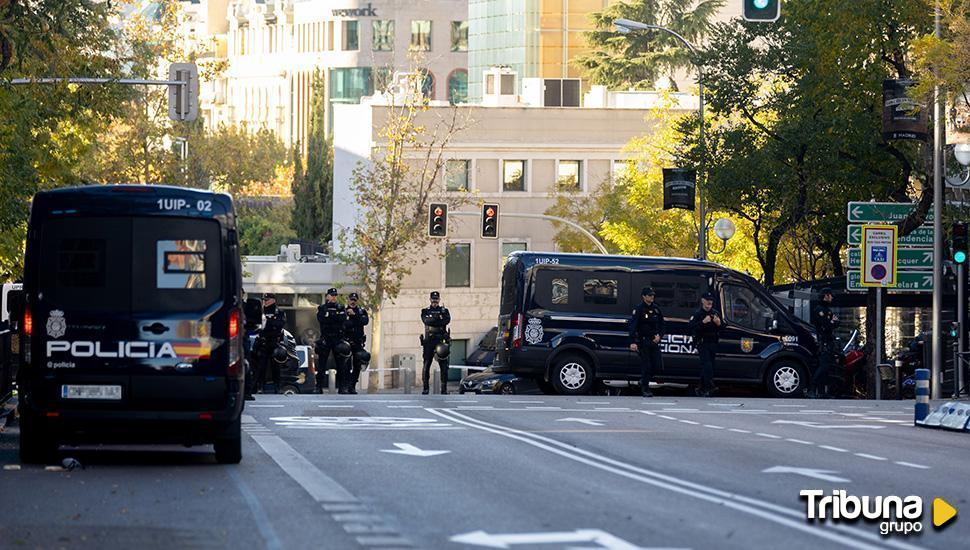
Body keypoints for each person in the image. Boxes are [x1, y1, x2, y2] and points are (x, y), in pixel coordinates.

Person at [629, 287, 664, 398]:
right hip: (643, 341)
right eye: (649, 295)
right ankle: (645, 389)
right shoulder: (639, 309)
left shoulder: (656, 309)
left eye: (653, 295)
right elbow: (633, 326)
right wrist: (633, 341)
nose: (652, 297)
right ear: (644, 296)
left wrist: (660, 336)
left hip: (654, 341)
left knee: (658, 366)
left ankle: (643, 380)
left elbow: (662, 325)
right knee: (647, 366)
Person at [315, 288, 351, 394]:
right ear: (327, 296)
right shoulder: (322, 308)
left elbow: (343, 319)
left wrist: (330, 316)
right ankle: (318, 387)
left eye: (335, 295)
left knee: (341, 365)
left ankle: (342, 387)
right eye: (332, 295)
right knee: (321, 364)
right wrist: (335, 317)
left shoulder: (341, 307)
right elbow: (321, 319)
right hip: (326, 339)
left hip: (337, 339)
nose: (334, 297)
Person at [688, 292, 722, 397]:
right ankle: (709, 387)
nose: (709, 302)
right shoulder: (698, 314)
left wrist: (718, 324)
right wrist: (703, 322)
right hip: (702, 343)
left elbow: (721, 328)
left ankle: (700, 388)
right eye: (707, 300)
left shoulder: (715, 313)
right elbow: (692, 328)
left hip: (713, 343)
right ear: (702, 301)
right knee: (707, 365)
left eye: (711, 300)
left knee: (710, 366)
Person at [252, 294, 286, 394]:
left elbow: (279, 324)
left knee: (275, 366)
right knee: (261, 366)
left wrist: (267, 323)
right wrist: (271, 323)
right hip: (263, 342)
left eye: (267, 300)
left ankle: (277, 387)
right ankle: (260, 387)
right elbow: (257, 326)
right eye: (264, 300)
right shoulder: (260, 311)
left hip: (274, 342)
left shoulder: (280, 312)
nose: (265, 301)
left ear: (273, 300)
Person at [809, 287, 839, 398]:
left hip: (828, 340)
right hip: (823, 341)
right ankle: (812, 388)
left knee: (826, 367)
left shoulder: (828, 310)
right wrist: (831, 322)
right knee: (823, 366)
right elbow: (827, 325)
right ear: (825, 296)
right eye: (830, 295)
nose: (832, 297)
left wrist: (831, 322)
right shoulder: (819, 310)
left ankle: (822, 392)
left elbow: (836, 322)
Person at [420, 291, 451, 395]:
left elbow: (446, 321)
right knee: (426, 364)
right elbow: (426, 321)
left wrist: (434, 319)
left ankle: (444, 389)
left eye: (436, 300)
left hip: (441, 340)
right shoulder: (425, 311)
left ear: (439, 300)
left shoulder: (444, 310)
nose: (435, 302)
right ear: (430, 300)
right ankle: (425, 388)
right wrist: (438, 318)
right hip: (429, 341)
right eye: (433, 300)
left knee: (444, 365)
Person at [343, 292, 370, 395]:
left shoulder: (361, 311)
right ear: (348, 300)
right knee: (346, 365)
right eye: (351, 300)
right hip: (346, 343)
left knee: (357, 365)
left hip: (358, 343)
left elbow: (365, 321)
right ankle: (345, 385)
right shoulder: (344, 312)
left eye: (354, 300)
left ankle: (352, 386)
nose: (353, 302)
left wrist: (354, 315)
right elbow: (345, 324)